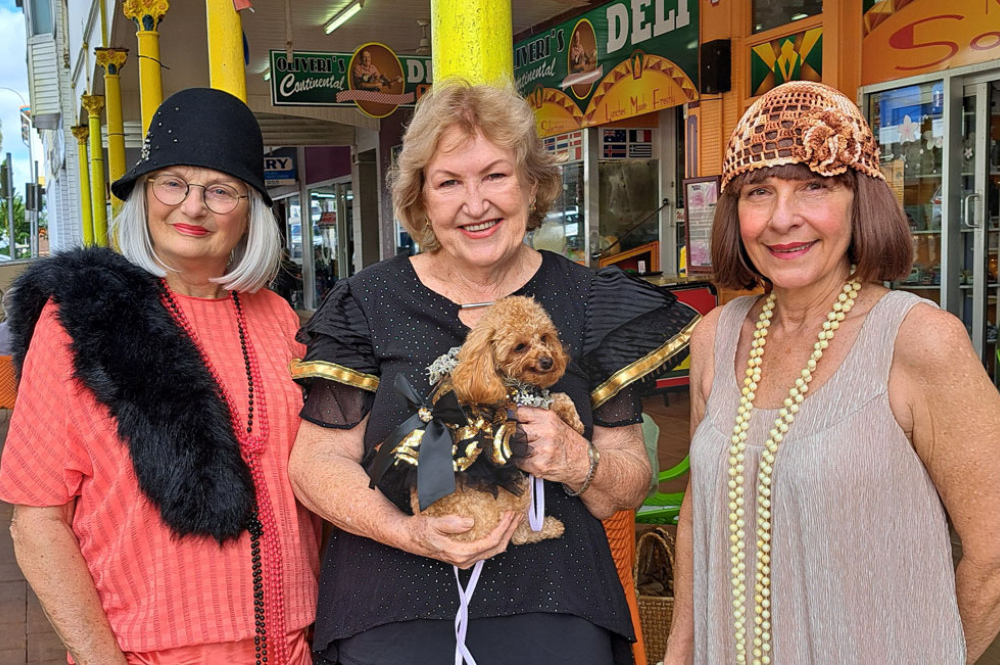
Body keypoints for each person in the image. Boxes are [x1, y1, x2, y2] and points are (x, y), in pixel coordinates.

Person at [288, 80, 700, 665]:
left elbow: (627, 481)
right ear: (421, 200)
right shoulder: (368, 302)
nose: (474, 203)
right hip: (393, 597)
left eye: (495, 175)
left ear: (532, 185)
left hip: (555, 597)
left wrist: (575, 460)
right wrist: (406, 532)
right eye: (449, 182)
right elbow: (314, 463)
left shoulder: (589, 299)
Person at [663, 81, 1000, 664]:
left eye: (814, 187)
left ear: (860, 201)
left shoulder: (919, 340)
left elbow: (993, 553)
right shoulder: (717, 336)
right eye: (758, 192)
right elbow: (700, 515)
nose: (781, 219)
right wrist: (679, 652)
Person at [0, 88, 320, 664]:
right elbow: (38, 522)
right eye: (172, 182)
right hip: (145, 653)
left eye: (220, 190)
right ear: (144, 197)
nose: (192, 207)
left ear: (249, 210)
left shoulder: (279, 320)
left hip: (294, 647)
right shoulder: (81, 321)